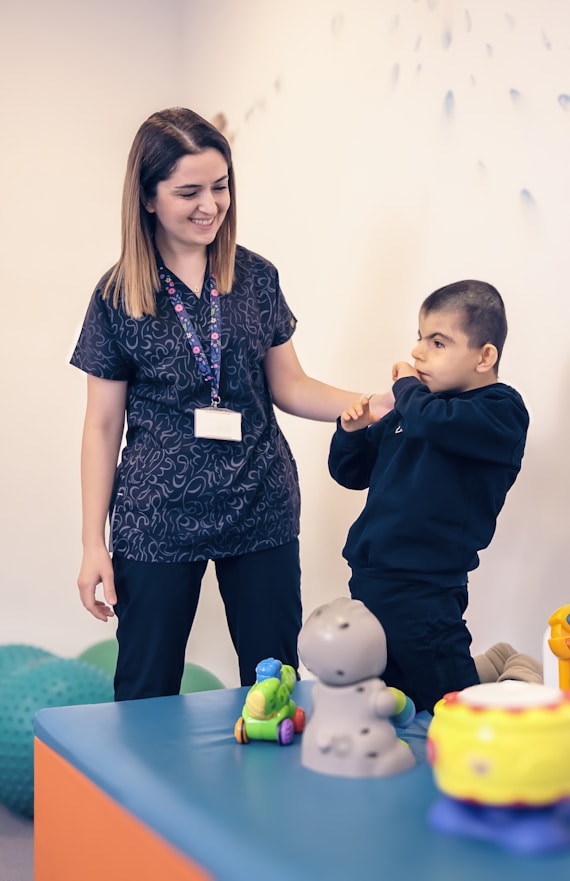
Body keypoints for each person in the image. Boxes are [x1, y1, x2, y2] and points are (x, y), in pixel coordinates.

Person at [71, 107, 392, 700]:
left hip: (259, 501)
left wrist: (373, 403)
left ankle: (274, 793)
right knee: (145, 685)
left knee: (274, 686)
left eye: (220, 187)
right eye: (188, 191)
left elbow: (290, 385)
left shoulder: (257, 277)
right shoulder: (117, 295)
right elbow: (101, 425)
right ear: (146, 198)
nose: (209, 205)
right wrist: (94, 543)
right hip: (157, 514)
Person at [328, 280, 530, 713]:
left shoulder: (498, 411)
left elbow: (435, 423)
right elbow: (351, 472)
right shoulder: (415, 412)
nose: (417, 353)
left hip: (426, 588)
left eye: (438, 342)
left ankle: (518, 680)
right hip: (370, 578)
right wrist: (350, 432)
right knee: (386, 701)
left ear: (485, 356)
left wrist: (405, 390)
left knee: (450, 704)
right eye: (419, 338)